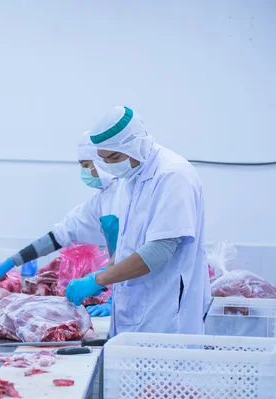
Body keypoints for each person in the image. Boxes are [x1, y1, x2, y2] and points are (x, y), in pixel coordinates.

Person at [65, 106, 210, 336]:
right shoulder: (131, 177)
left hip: (166, 315)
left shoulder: (173, 175)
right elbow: (128, 244)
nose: (111, 165)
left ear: (136, 145)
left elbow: (159, 250)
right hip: (137, 311)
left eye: (115, 157)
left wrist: (98, 278)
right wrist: (103, 272)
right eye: (104, 159)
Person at [0, 132, 120, 317]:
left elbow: (132, 249)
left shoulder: (125, 192)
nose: (84, 172)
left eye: (86, 165)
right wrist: (12, 261)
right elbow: (60, 235)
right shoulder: (101, 200)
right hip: (122, 288)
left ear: (100, 162)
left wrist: (104, 286)